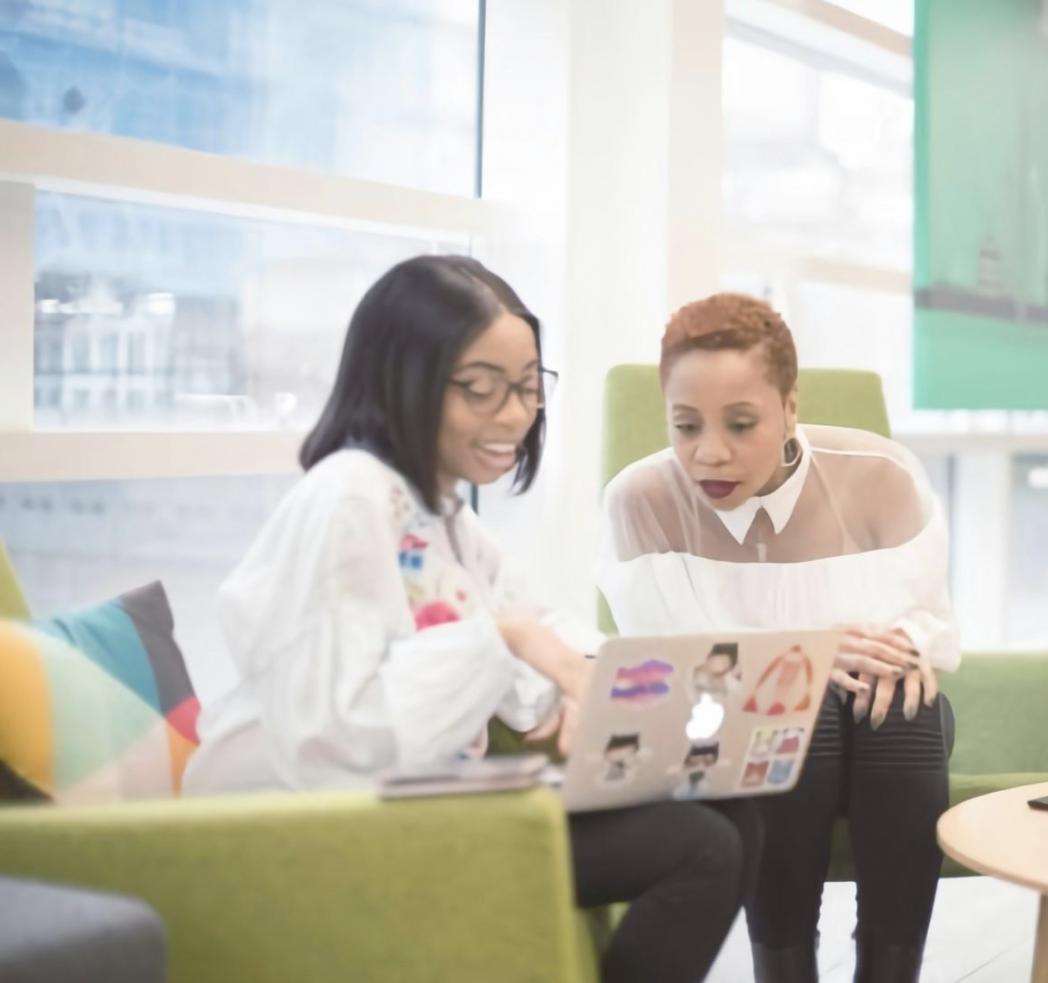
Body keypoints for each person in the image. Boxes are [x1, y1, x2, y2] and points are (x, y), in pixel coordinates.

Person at [184, 256, 759, 983]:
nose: (515, 415)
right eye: (482, 389)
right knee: (702, 846)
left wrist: (588, 683)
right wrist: (511, 642)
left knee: (733, 808)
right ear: (404, 379)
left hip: (420, 801)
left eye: (528, 387)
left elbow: (536, 624)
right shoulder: (348, 499)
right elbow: (335, 734)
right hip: (317, 823)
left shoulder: (442, 513)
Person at [598, 293, 959, 983]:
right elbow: (666, 671)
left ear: (790, 407)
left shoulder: (880, 475)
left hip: (882, 736)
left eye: (741, 424)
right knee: (792, 705)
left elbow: (925, 626)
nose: (710, 453)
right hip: (738, 727)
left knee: (901, 704)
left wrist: (899, 648)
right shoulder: (640, 500)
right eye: (685, 425)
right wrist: (806, 655)